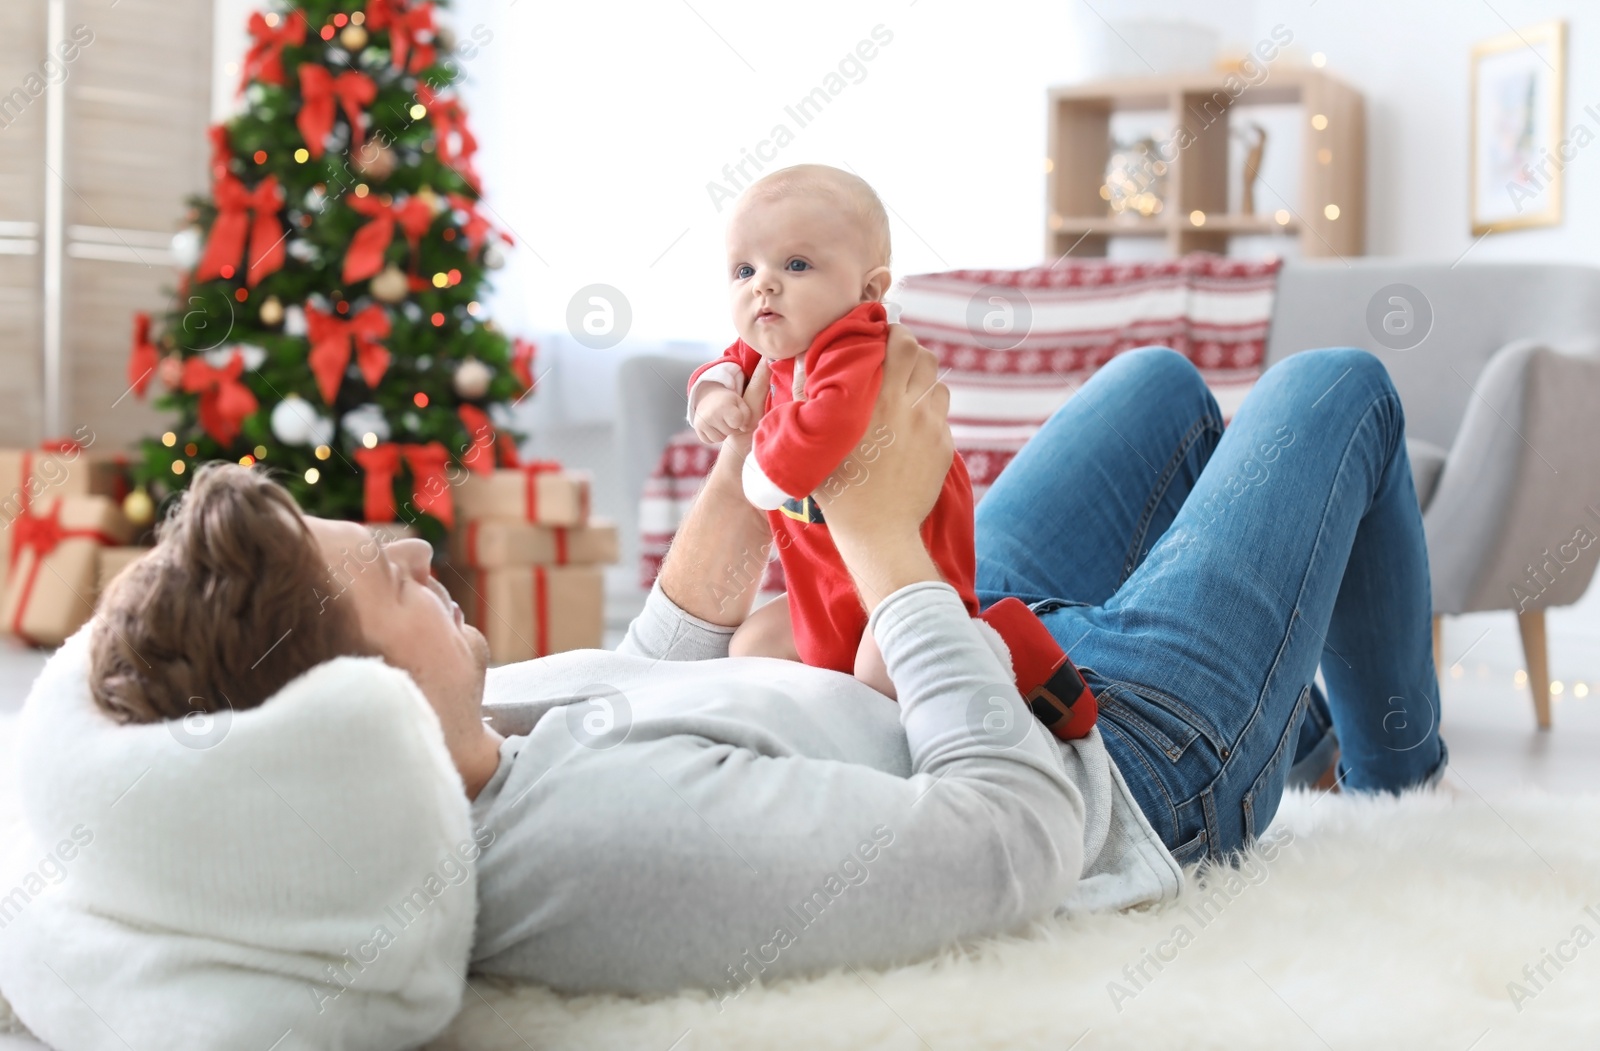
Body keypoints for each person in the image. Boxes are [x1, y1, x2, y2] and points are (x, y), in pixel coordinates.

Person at [90, 326, 1445, 1000]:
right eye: (384, 573)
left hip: (943, 651)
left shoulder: (466, 740)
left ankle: (1297, 711)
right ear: (341, 710)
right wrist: (873, 523)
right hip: (1109, 758)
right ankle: (1396, 778)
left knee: (1156, 383)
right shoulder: (585, 857)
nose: (421, 551)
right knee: (1339, 387)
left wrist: (752, 472)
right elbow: (1009, 831)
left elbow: (648, 679)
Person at [686, 164, 1092, 735]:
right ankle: (833, 719)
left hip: (904, 554)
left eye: (796, 265)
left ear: (869, 291)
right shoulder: (774, 343)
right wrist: (712, 394)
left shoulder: (854, 343)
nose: (764, 284)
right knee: (752, 646)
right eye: (744, 269)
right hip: (826, 575)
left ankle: (999, 647)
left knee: (886, 672)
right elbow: (727, 362)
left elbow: (831, 420)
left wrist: (762, 468)